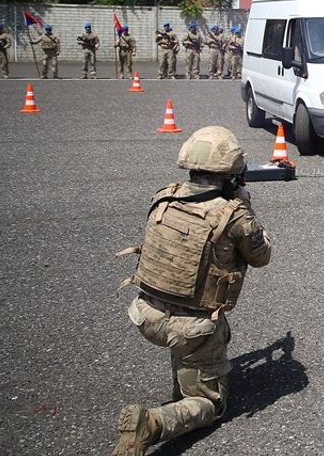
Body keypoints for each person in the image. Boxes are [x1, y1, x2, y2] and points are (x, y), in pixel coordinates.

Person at [112, 126, 273, 455]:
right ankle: (152, 423)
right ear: (231, 176)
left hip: (146, 312)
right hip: (190, 329)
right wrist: (245, 205)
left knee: (191, 332)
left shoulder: (164, 197)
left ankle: (186, 379)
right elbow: (261, 256)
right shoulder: (233, 215)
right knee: (210, 403)